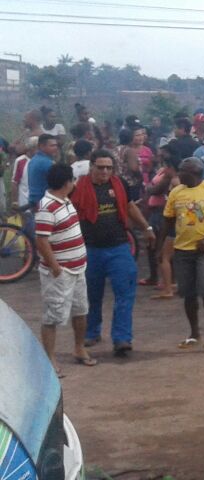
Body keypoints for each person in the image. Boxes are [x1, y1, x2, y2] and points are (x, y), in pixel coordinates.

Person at [70, 149, 154, 357]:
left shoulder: (119, 184)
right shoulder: (77, 188)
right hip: (89, 249)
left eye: (109, 167)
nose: (105, 171)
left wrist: (146, 228)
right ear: (91, 167)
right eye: (101, 167)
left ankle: (122, 338)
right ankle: (91, 332)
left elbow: (129, 206)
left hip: (119, 247)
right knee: (91, 294)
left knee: (125, 293)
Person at [163, 157, 204, 352]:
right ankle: (194, 333)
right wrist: (161, 244)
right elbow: (168, 219)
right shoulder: (176, 192)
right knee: (188, 294)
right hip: (182, 248)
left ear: (193, 173)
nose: (178, 174)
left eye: (182, 171)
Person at [33, 163, 94, 373]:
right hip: (61, 271)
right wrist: (55, 267)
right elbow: (41, 240)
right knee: (53, 315)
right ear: (67, 182)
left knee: (80, 310)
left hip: (77, 267)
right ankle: (50, 358)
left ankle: (79, 348)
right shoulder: (47, 207)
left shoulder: (64, 200)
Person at [144, 145, 178, 297]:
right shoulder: (173, 179)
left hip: (166, 216)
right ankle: (169, 284)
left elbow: (157, 191)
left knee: (162, 253)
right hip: (165, 215)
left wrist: (150, 189)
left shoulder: (173, 181)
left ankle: (168, 287)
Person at [26, 134, 60, 211]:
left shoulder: (33, 160)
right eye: (52, 146)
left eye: (56, 145)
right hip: (44, 204)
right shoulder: (47, 163)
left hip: (34, 202)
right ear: (41, 146)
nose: (56, 148)